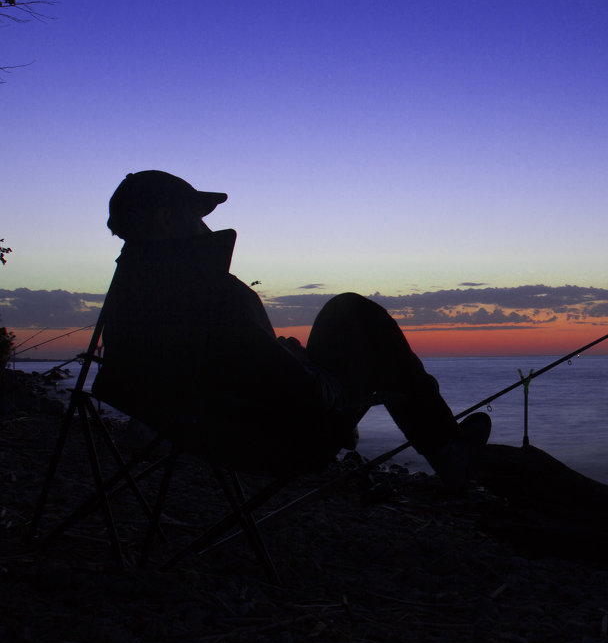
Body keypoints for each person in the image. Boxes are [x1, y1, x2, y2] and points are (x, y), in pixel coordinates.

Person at [91, 170, 489, 489]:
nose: (207, 229)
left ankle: (447, 449)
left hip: (206, 426)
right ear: (165, 219)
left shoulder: (132, 292)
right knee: (356, 314)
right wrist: (317, 378)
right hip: (281, 437)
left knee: (344, 314)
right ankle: (448, 452)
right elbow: (299, 391)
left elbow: (216, 364)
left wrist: (280, 356)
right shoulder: (203, 292)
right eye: (197, 217)